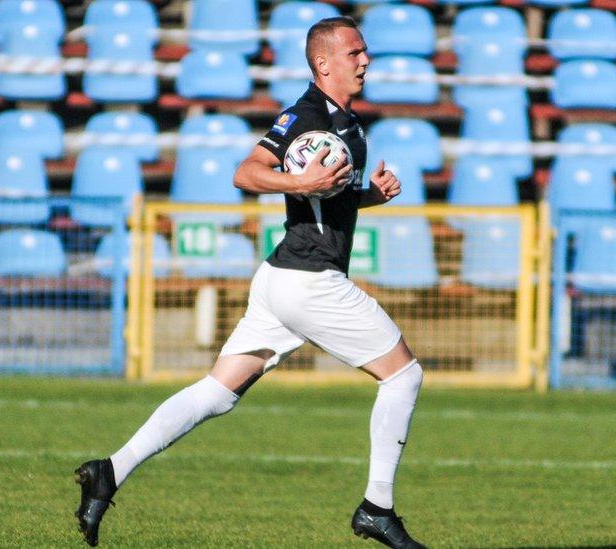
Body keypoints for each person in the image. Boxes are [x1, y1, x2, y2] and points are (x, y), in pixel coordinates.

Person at [75, 16, 426, 549]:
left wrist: (369, 194)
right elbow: (246, 173)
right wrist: (297, 180)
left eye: (365, 52)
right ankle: (377, 508)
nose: (364, 61)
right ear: (323, 63)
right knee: (403, 377)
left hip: (281, 279)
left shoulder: (348, 122)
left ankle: (109, 471)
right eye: (354, 53)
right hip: (309, 280)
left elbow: (326, 196)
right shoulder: (304, 115)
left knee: (216, 393)